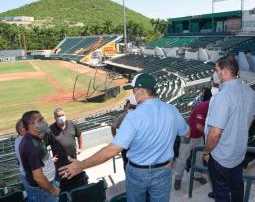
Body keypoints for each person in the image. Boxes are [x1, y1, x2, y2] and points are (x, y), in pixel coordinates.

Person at [59, 73, 190, 202]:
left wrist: (81, 165)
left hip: (138, 173)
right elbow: (187, 133)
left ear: (141, 90)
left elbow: (112, 150)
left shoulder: (133, 116)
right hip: (164, 170)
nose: (133, 94)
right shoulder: (172, 109)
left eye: (134, 90)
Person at [203, 55, 255, 202]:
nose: (216, 73)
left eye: (217, 70)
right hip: (239, 152)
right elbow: (251, 118)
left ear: (225, 71)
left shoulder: (223, 96)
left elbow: (215, 133)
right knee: (237, 186)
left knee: (221, 193)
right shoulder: (249, 91)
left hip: (221, 156)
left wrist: (207, 151)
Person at [174, 88, 211, 190]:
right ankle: (178, 178)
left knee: (199, 157)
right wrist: (209, 135)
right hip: (188, 135)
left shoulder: (213, 108)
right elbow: (199, 126)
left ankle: (197, 175)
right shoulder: (203, 106)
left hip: (199, 136)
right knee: (183, 157)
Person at [19, 110, 59, 202]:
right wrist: (53, 190)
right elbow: (38, 177)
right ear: (31, 126)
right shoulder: (32, 146)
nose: (44, 122)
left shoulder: (33, 139)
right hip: (43, 191)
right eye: (40, 120)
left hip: (45, 187)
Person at [45, 108, 87, 192]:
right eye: (58, 116)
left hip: (74, 163)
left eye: (62, 115)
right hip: (61, 168)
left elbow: (79, 135)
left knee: (79, 187)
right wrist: (49, 159)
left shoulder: (72, 124)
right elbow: (43, 147)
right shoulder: (49, 130)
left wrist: (81, 148)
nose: (61, 117)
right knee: (65, 189)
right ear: (55, 117)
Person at [111, 99, 137, 169]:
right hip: (128, 144)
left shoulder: (124, 115)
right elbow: (113, 127)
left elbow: (113, 127)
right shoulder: (123, 116)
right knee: (128, 162)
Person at [14, 119, 30, 192]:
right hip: (29, 176)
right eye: (25, 126)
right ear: (20, 130)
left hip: (27, 175)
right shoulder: (22, 142)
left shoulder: (20, 139)